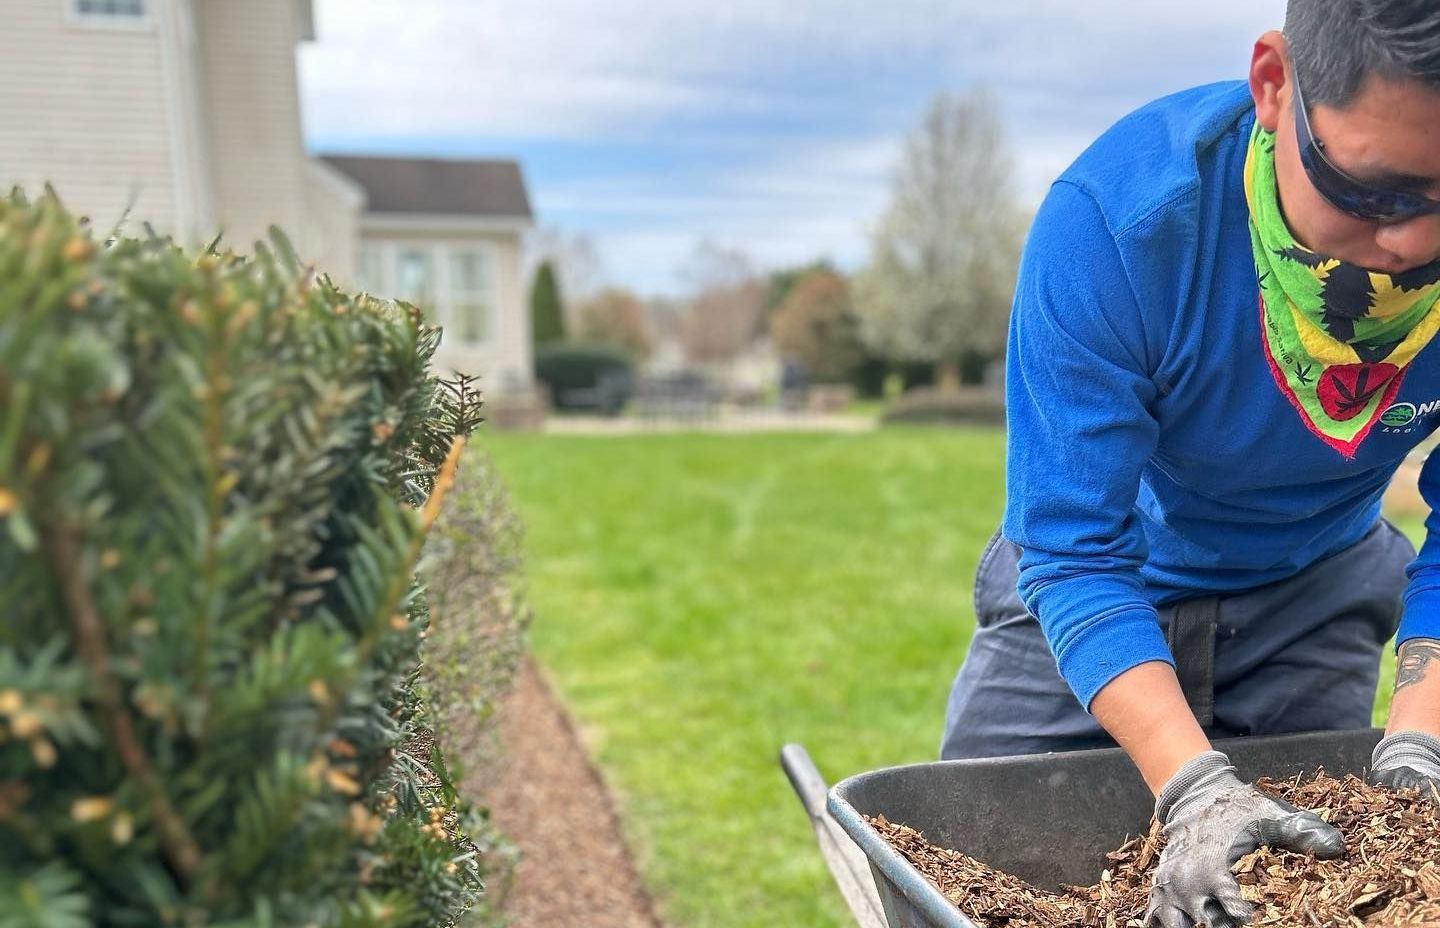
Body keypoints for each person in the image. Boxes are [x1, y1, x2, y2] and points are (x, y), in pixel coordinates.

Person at [938, 2, 1440, 926]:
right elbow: (1075, 544)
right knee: (974, 873)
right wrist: (1198, 788)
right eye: (1374, 193)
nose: (1414, 245)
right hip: (1090, 593)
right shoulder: (1121, 224)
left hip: (1314, 591)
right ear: (1274, 87)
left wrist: (1422, 742)